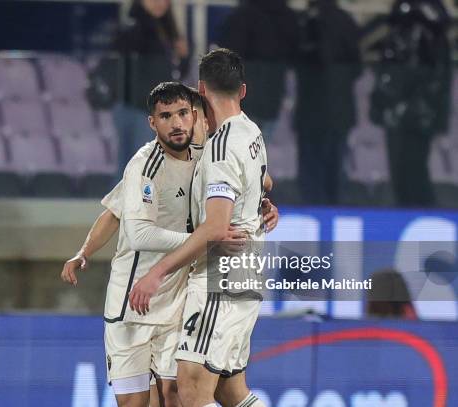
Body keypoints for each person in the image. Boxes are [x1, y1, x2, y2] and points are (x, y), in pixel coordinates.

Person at [61, 84, 278, 406]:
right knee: (135, 402)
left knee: (176, 394)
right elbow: (132, 229)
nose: (176, 123)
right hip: (133, 301)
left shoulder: (206, 154)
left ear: (194, 116)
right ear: (153, 123)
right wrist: (209, 239)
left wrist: (259, 204)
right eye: (165, 116)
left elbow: (259, 178)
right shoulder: (144, 167)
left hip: (177, 296)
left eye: (182, 114)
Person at [130, 49, 268, 407]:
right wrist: (260, 206)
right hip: (246, 271)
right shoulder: (250, 130)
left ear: (201, 89)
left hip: (220, 277)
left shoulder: (220, 147)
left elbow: (216, 228)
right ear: (243, 90)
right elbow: (263, 180)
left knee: (190, 388)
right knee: (230, 391)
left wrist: (157, 272)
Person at [89, 0, 190, 178]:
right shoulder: (134, 28)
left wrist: (183, 58)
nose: (160, 3)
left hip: (154, 109)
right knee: (136, 169)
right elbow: (122, 65)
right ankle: (124, 206)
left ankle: (132, 205)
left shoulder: (166, 30)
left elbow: (173, 73)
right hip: (136, 107)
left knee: (143, 168)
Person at [369, 0, 452, 207]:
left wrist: (405, 105)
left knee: (411, 171)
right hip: (406, 115)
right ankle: (411, 214)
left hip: (414, 116)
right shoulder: (410, 29)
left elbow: (432, 78)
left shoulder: (425, 32)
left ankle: (421, 216)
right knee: (403, 172)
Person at [293, 0, 361, 205]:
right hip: (339, 109)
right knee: (336, 167)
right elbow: (357, 68)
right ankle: (334, 215)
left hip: (311, 109)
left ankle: (314, 215)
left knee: (311, 169)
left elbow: (296, 62)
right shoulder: (346, 21)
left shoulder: (306, 21)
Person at [217, 0, 299, 143]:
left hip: (241, 93)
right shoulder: (288, 17)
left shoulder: (242, 14)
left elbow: (227, 49)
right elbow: (294, 54)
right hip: (273, 92)